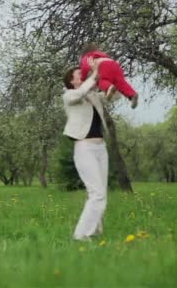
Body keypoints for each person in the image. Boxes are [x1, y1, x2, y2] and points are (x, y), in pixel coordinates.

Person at [62, 66, 109, 241]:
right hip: (84, 148)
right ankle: (81, 235)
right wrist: (95, 74)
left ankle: (96, 231)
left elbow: (111, 96)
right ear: (71, 81)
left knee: (101, 192)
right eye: (80, 75)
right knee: (97, 193)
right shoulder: (69, 95)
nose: (84, 76)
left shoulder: (93, 96)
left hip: (101, 148)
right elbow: (80, 93)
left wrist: (114, 81)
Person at [79, 43, 139, 109]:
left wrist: (83, 78)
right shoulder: (101, 54)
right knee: (121, 83)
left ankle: (109, 87)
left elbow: (85, 68)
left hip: (103, 65)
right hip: (114, 64)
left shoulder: (86, 57)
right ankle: (132, 95)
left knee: (102, 80)